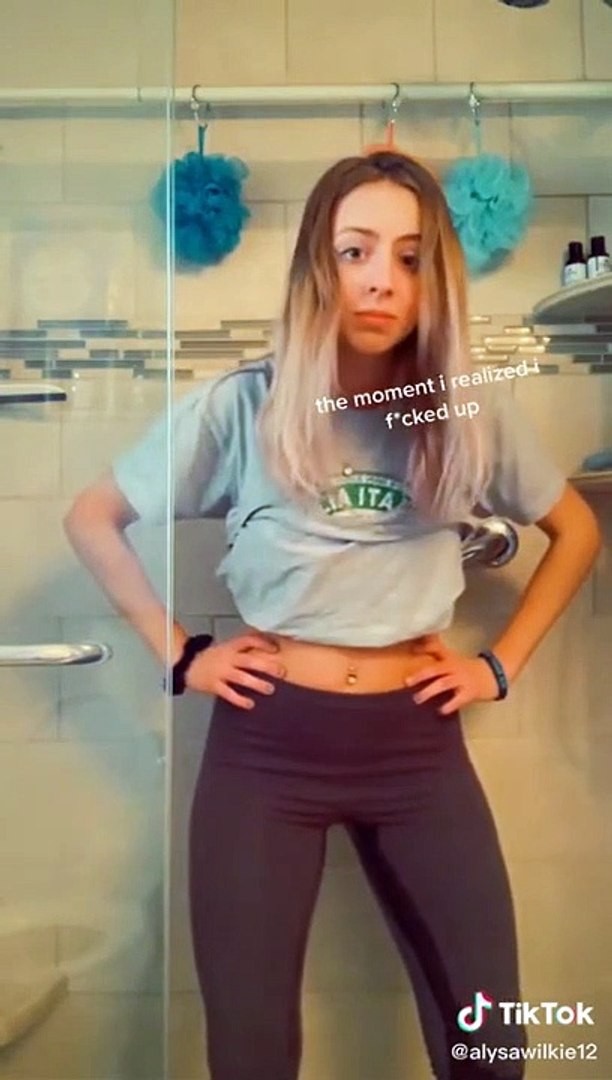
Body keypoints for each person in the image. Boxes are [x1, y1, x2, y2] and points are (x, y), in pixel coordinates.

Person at [64, 150, 602, 1080]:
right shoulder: (244, 403)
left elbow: (577, 531)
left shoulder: (468, 412)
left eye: (409, 256)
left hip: (418, 749)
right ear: (320, 263)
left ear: (434, 278)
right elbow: (91, 518)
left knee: (491, 1042)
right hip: (265, 752)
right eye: (356, 251)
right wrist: (182, 655)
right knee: (251, 1051)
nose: (381, 279)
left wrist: (497, 666)